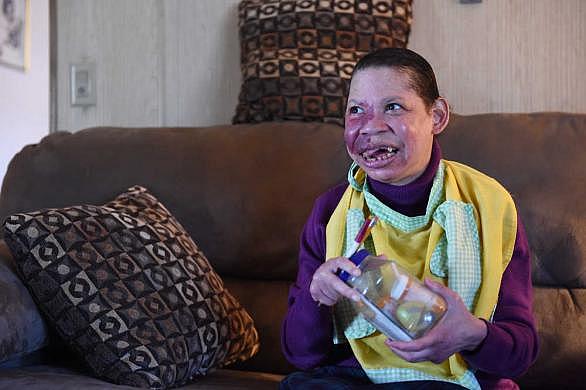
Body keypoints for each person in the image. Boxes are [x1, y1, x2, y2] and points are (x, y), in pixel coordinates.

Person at [280, 48, 539, 390]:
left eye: (393, 107)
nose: (371, 126)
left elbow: (520, 355)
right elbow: (300, 357)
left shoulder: (489, 206)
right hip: (352, 380)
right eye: (357, 110)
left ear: (437, 116)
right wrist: (318, 297)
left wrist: (474, 335)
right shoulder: (331, 212)